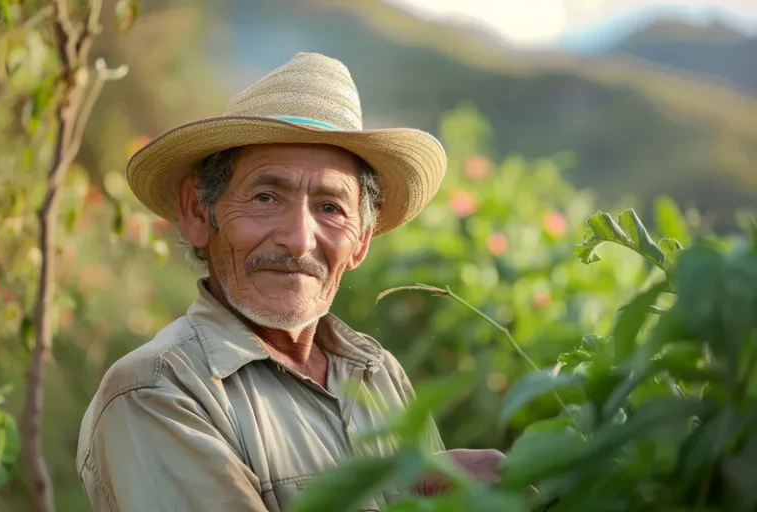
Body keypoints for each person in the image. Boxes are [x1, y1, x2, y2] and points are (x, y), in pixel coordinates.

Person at [76, 52, 503, 512]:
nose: (299, 240)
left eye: (331, 208)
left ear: (360, 242)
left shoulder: (376, 373)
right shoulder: (157, 392)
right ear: (200, 213)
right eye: (266, 197)